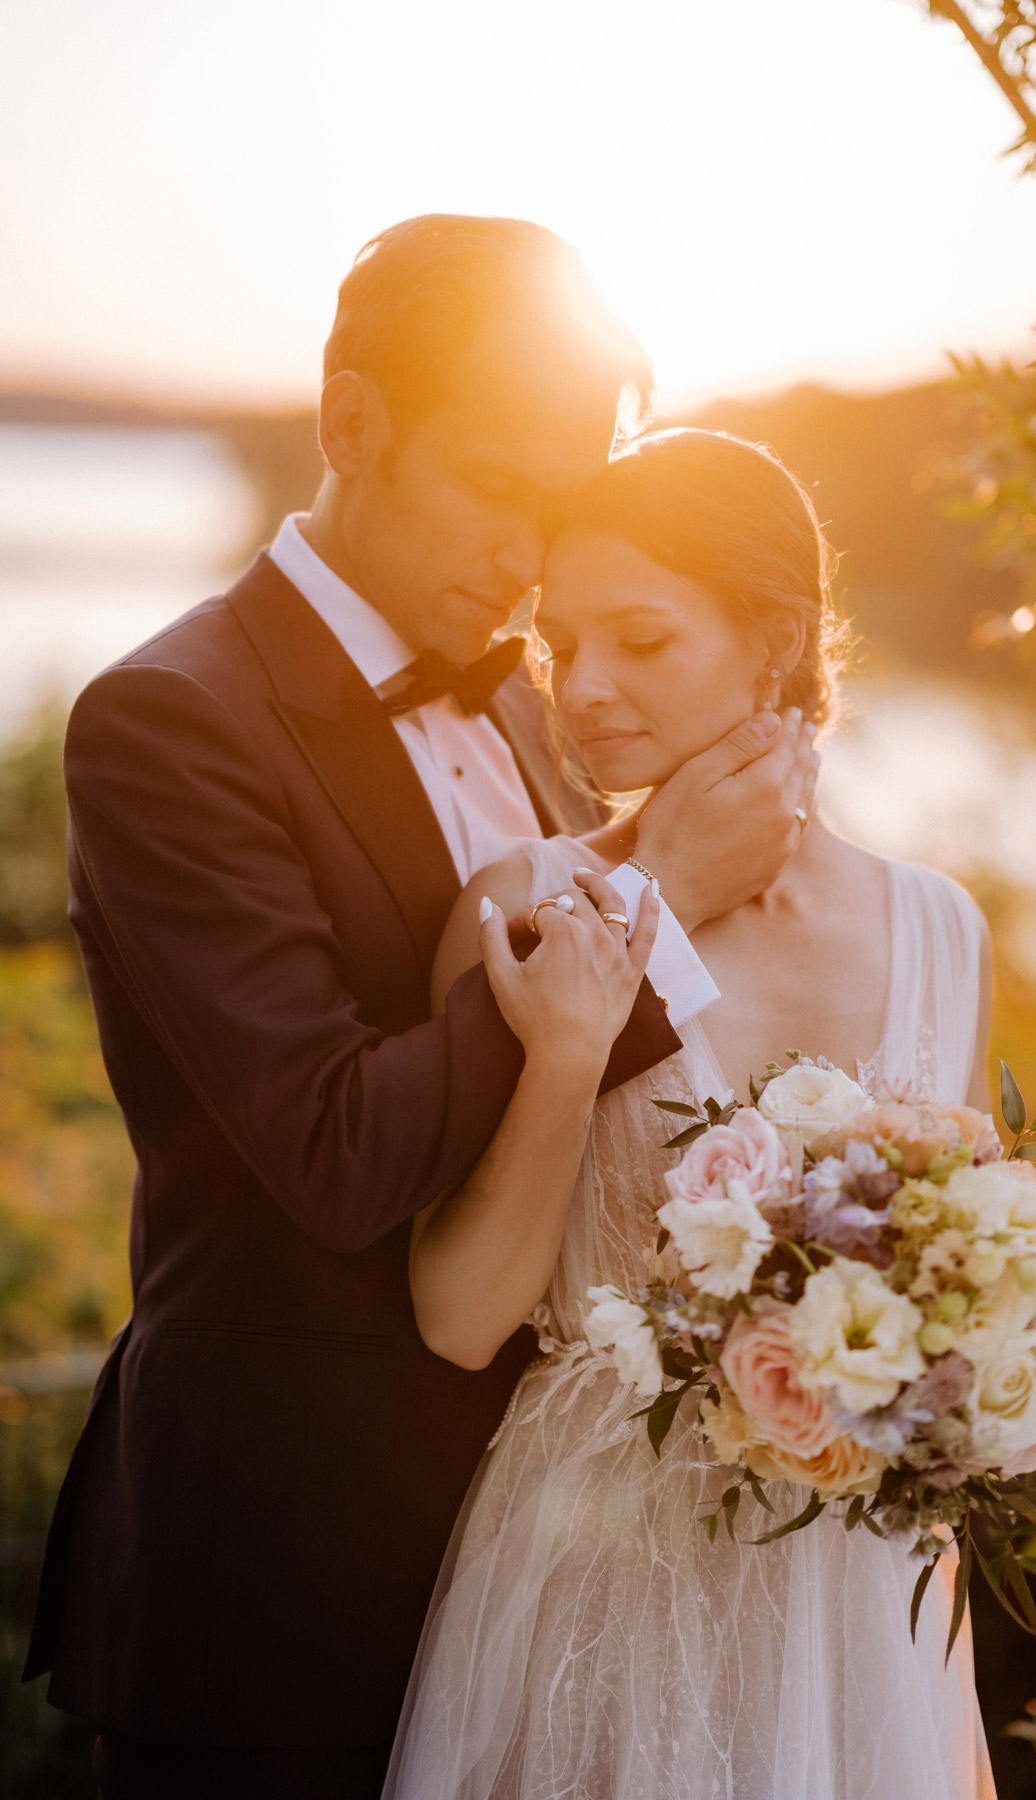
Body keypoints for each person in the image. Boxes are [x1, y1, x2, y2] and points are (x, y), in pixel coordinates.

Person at [22, 221, 818, 1800]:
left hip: (542, 1580)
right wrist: (656, 891)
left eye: (561, 495)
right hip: (273, 1587)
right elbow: (333, 1147)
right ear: (351, 427)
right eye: (497, 485)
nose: (533, 555)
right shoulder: (170, 722)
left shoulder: (533, 699)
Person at [386, 427, 998, 1800]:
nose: (583, 690)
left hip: (856, 1600)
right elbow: (463, 1313)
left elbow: (964, 1309)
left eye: (640, 641)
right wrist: (567, 1042)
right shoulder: (523, 906)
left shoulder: (942, 930)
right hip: (596, 1584)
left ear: (777, 643)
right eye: (561, 645)